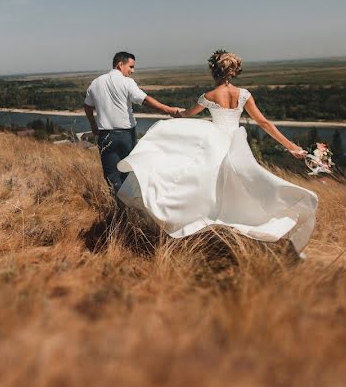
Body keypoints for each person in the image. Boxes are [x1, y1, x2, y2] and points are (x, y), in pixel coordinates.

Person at [116, 50, 319, 254]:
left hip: (215, 142)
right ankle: (243, 223)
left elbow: (187, 115)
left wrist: (175, 113)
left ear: (214, 71)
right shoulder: (244, 94)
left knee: (209, 185)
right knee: (241, 183)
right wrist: (290, 145)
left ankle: (204, 222)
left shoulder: (208, 96)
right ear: (232, 72)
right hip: (237, 143)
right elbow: (264, 122)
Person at [84, 51, 184, 204]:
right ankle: (133, 208)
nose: (132, 71)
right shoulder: (126, 82)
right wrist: (169, 110)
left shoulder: (96, 83)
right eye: (131, 67)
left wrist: (93, 125)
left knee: (112, 176)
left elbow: (87, 106)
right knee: (129, 173)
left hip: (105, 136)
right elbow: (145, 100)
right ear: (120, 64)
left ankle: (121, 210)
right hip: (125, 136)